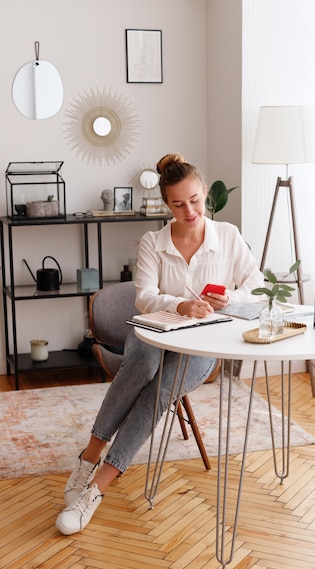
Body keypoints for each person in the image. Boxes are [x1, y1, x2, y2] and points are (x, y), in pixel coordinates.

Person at [55, 153, 264, 535]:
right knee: (142, 367)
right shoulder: (153, 241)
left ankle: (96, 488)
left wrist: (229, 299)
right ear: (167, 204)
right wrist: (180, 304)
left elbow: (259, 287)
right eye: (179, 204)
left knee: (161, 391)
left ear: (205, 194)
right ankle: (88, 457)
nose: (189, 211)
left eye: (196, 200)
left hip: (201, 344)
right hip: (154, 331)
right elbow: (144, 297)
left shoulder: (229, 237)